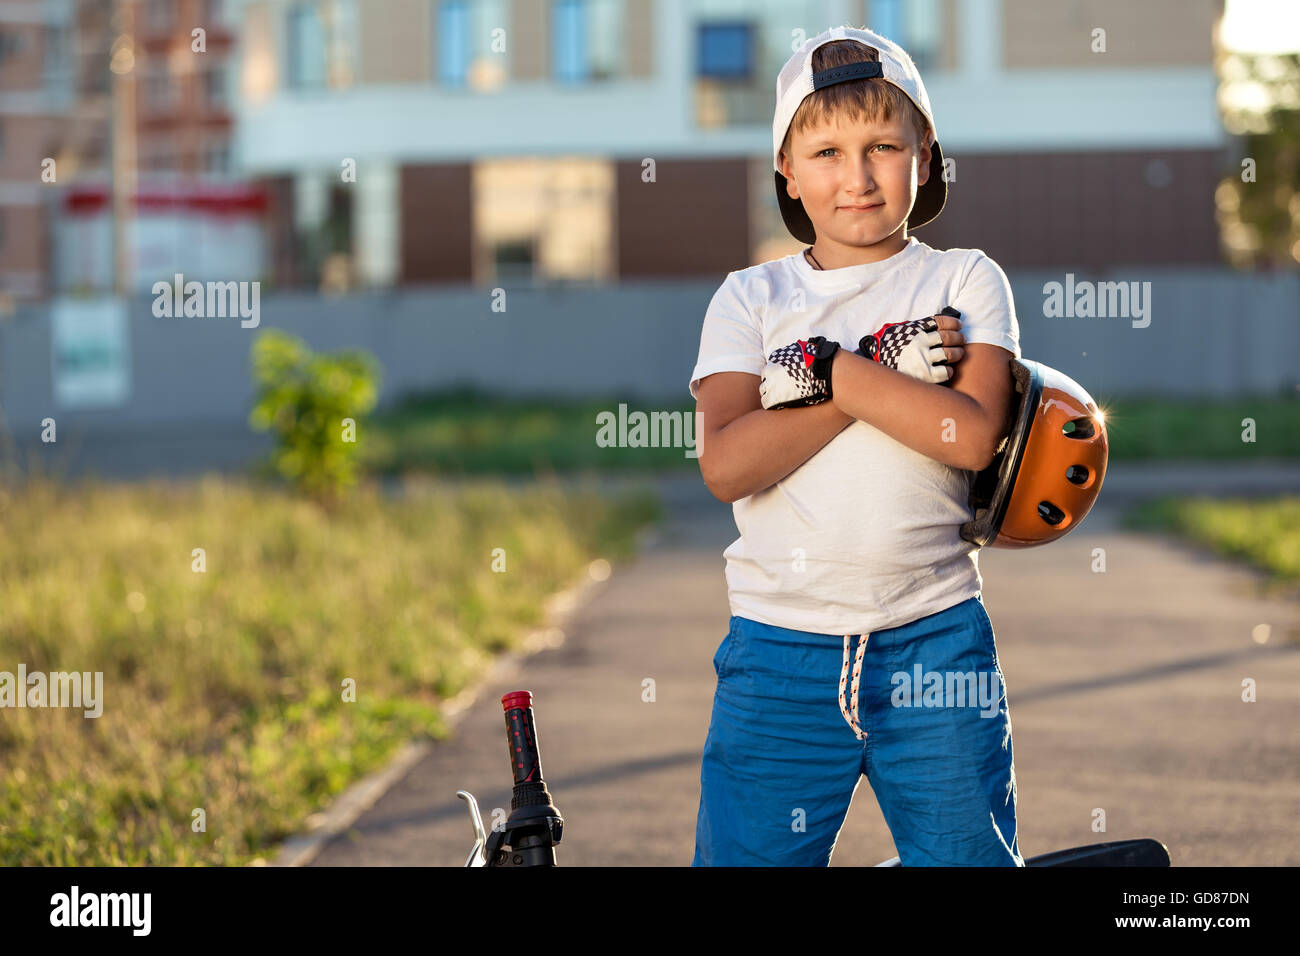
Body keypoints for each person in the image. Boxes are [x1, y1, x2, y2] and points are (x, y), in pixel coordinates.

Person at [689, 25, 1024, 866]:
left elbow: (973, 435)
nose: (859, 175)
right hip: (778, 651)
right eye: (827, 151)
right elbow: (729, 464)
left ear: (925, 151)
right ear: (787, 171)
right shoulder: (750, 298)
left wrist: (825, 375)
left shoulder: (965, 279)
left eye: (883, 144)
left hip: (934, 638)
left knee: (964, 859)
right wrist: (874, 372)